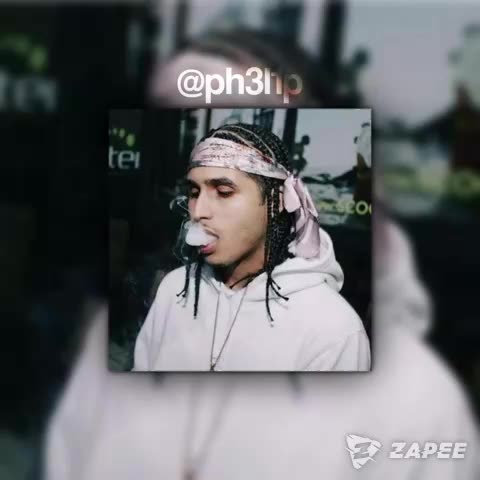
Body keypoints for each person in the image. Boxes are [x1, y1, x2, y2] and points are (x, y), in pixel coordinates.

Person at [133, 123, 370, 371]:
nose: (199, 211)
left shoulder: (334, 331)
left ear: (278, 200)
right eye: (194, 192)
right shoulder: (174, 289)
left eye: (223, 192)